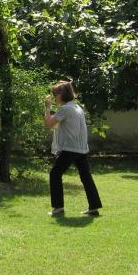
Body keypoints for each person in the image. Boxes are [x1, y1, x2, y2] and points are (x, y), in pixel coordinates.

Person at [43, 80, 103, 217]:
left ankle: (58, 208)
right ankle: (94, 208)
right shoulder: (76, 107)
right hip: (81, 148)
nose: (54, 96)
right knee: (86, 177)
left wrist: (47, 107)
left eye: (55, 93)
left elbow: (48, 123)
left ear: (63, 93)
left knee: (55, 174)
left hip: (70, 149)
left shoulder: (65, 109)